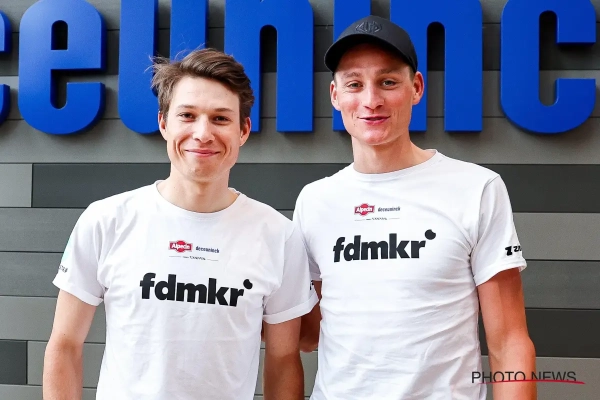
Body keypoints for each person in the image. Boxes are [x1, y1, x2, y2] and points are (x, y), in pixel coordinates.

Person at [43, 48, 318, 400]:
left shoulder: (279, 235)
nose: (202, 133)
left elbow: (283, 360)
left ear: (244, 130)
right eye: (187, 115)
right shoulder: (106, 220)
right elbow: (65, 345)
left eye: (220, 118)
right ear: (163, 123)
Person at [295, 15, 536, 400]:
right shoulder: (314, 200)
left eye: (388, 82)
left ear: (416, 88)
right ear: (335, 95)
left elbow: (509, 342)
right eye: (354, 84)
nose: (371, 100)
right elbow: (310, 333)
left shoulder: (476, 188)